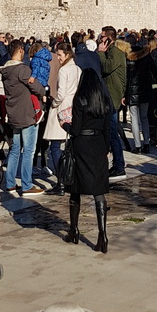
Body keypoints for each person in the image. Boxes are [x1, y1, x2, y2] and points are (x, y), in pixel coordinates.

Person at [63, 67, 112, 252]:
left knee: (75, 188)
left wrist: (65, 125)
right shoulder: (104, 101)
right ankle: (103, 234)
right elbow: (108, 129)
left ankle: (74, 229)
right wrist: (106, 148)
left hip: (82, 144)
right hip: (98, 143)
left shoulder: (80, 99)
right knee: (99, 191)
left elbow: (75, 130)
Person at [1, 39, 46, 195]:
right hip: (27, 113)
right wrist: (43, 91)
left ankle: (10, 183)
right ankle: (27, 184)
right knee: (28, 150)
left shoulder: (6, 72)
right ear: (20, 50)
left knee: (14, 149)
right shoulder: (23, 70)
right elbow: (36, 87)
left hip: (13, 113)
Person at [45, 41, 82, 185]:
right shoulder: (77, 69)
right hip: (73, 108)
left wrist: (54, 104)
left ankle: (61, 179)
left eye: (59, 55)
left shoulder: (64, 70)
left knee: (54, 146)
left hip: (62, 108)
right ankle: (69, 176)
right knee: (68, 145)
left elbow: (60, 94)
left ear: (67, 54)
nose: (58, 58)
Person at [98, 26, 127, 181]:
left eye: (102, 37)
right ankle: (117, 163)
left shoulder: (115, 52)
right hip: (111, 95)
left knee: (112, 132)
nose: (100, 40)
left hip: (112, 96)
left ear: (109, 38)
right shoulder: (113, 52)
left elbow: (106, 67)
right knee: (110, 131)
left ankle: (119, 166)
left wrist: (101, 53)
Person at [126, 41, 157, 153]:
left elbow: (126, 78)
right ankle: (146, 143)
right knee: (144, 118)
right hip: (145, 90)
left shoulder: (129, 60)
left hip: (132, 92)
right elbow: (155, 71)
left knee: (134, 119)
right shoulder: (147, 58)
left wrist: (124, 94)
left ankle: (137, 145)